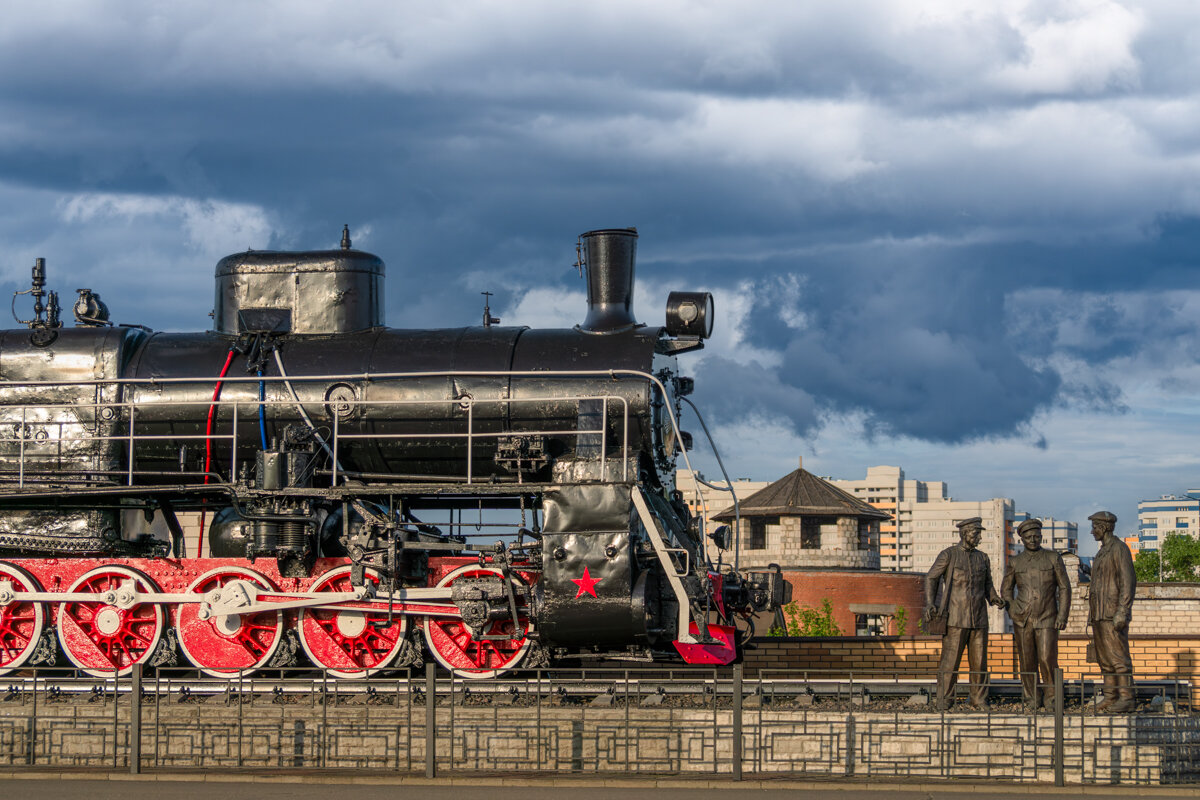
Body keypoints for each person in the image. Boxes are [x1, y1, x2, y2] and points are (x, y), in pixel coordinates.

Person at [924, 517, 1005, 711]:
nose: (978, 538)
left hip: (979, 618)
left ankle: (979, 699)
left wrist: (994, 598)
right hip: (955, 618)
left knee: (979, 663)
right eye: (975, 534)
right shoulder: (949, 555)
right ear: (964, 534)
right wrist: (930, 603)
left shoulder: (982, 557)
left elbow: (987, 585)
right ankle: (945, 700)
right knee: (950, 663)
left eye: (979, 534)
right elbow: (931, 578)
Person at [1002, 519, 1071, 711]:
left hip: (1048, 617)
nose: (1033, 539)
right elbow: (1006, 590)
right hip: (1022, 619)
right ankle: (1031, 698)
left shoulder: (1052, 558)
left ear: (1041, 537)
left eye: (1036, 536)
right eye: (1028, 537)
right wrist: (1012, 609)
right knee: (1027, 660)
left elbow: (1065, 588)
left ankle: (1052, 698)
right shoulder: (1015, 562)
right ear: (1022, 539)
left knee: (1047, 658)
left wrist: (1062, 616)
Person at [1087, 510, 1137, 713]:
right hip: (1099, 613)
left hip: (1112, 613)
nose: (1092, 532)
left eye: (1094, 527)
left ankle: (1126, 697)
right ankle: (1110, 696)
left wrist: (1122, 611)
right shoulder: (1102, 552)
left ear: (1104, 527)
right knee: (1104, 658)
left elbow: (1128, 581)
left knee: (1118, 657)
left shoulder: (1119, 549)